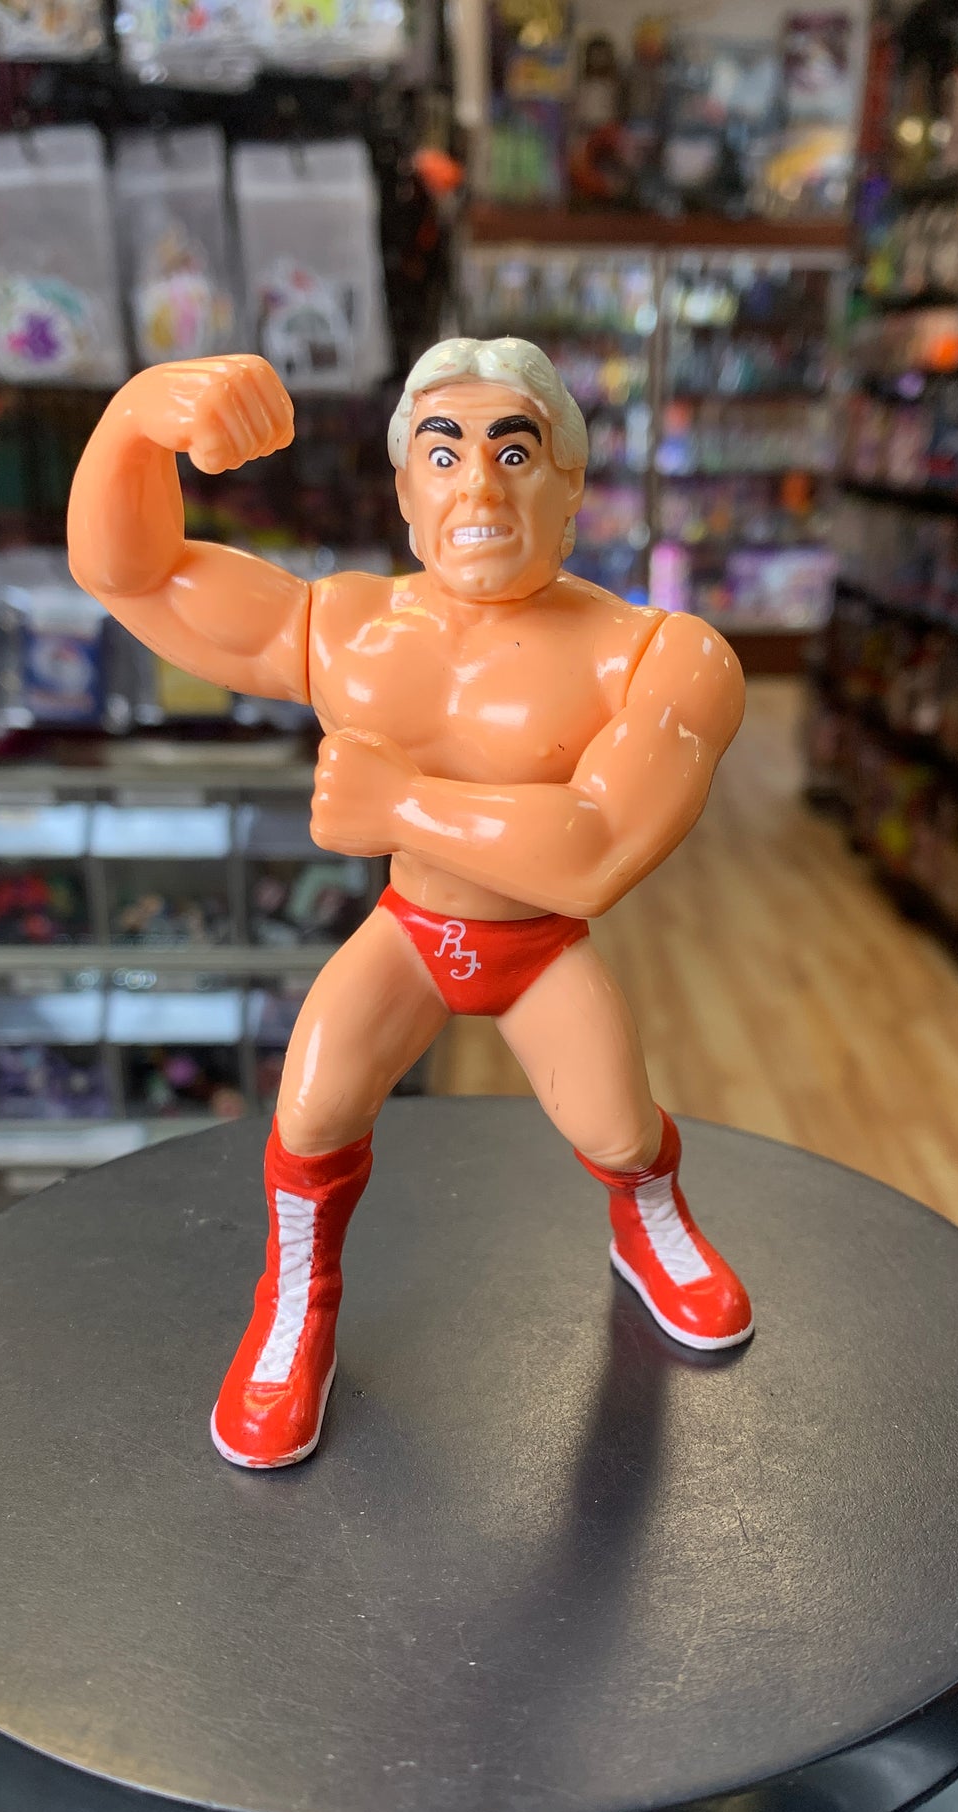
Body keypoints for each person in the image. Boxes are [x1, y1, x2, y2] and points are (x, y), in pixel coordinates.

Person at [68, 336, 751, 1469]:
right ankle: (296, 1303)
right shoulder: (349, 627)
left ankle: (651, 1219)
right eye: (443, 453)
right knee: (311, 1111)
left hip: (535, 944)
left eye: (513, 453)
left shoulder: (659, 655)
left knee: (618, 1127)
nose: (477, 485)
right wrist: (135, 420)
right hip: (412, 933)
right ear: (405, 488)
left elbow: (594, 848)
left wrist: (402, 803)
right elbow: (132, 574)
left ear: (571, 482)